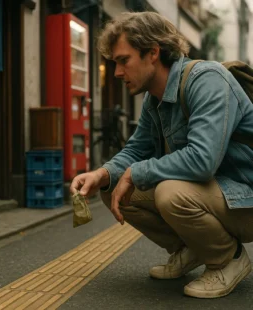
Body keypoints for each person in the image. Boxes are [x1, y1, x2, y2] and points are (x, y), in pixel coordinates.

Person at [70, 11, 253, 299]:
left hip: (246, 198)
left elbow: (203, 160)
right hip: (218, 196)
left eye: (123, 60)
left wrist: (136, 172)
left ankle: (228, 259)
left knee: (170, 192)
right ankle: (191, 247)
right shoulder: (154, 99)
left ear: (153, 52)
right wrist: (102, 174)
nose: (117, 72)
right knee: (113, 187)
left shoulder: (208, 80)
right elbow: (137, 149)